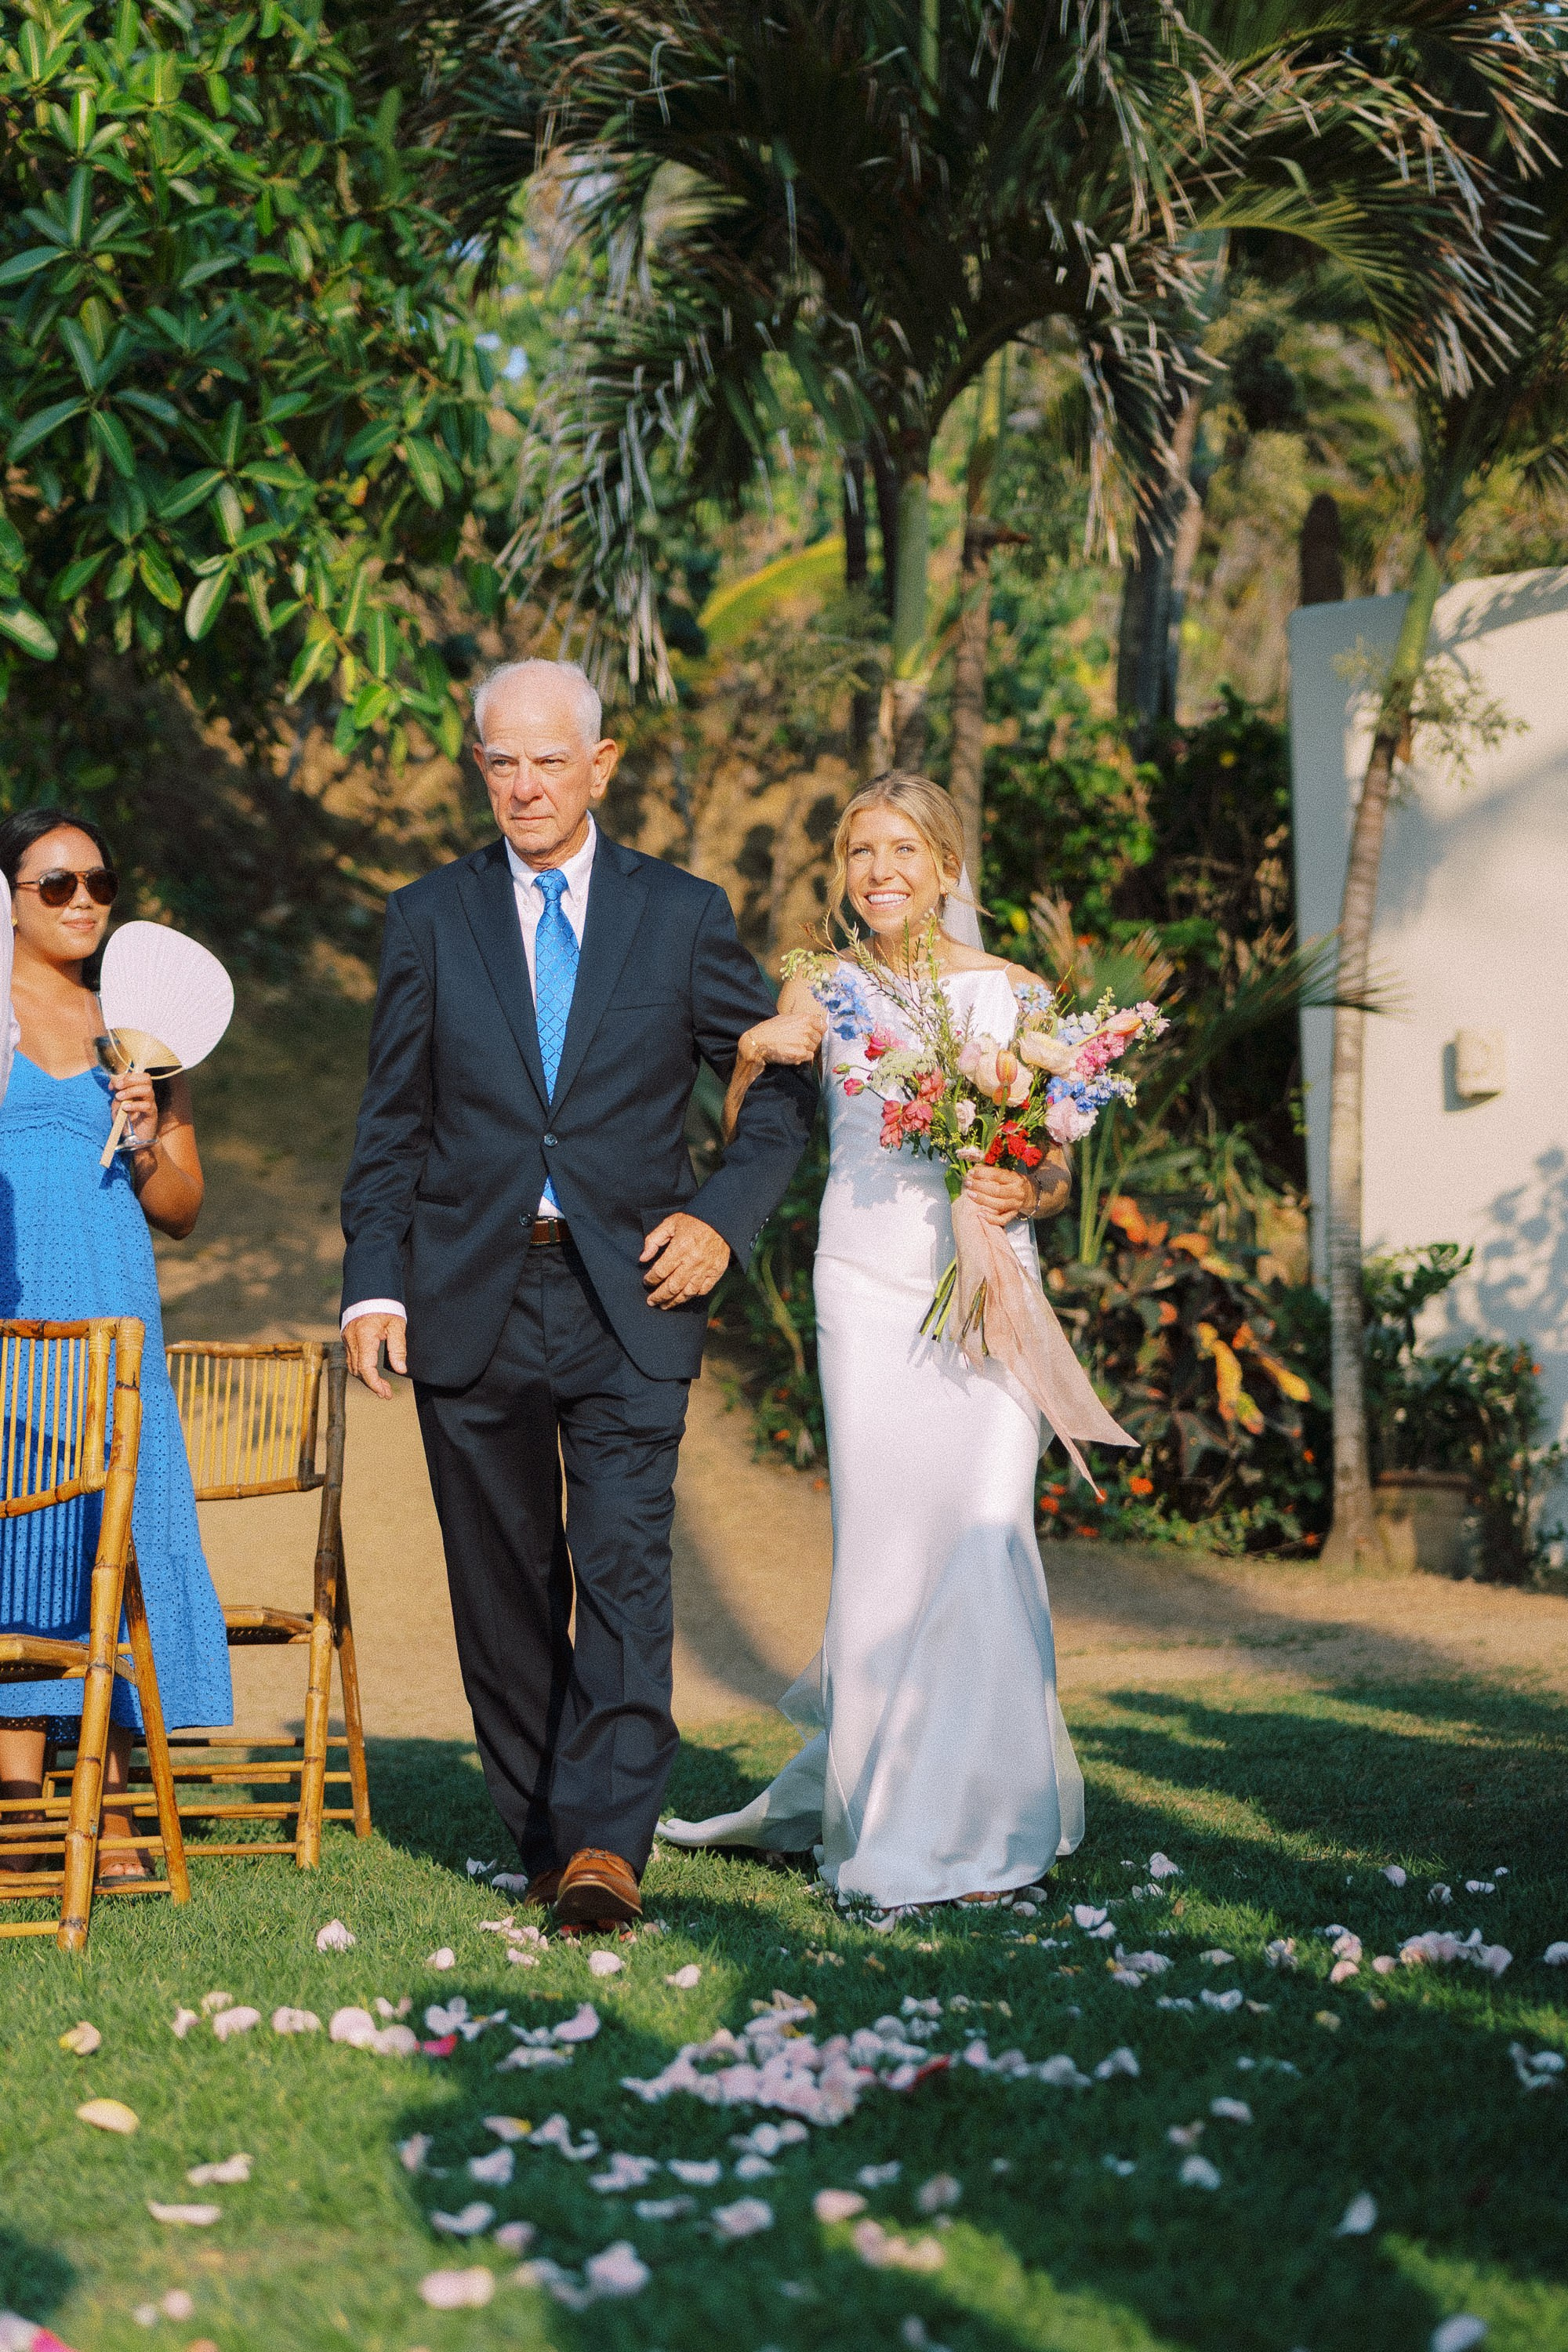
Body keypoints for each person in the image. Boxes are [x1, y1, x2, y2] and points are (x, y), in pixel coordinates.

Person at [339, 658, 815, 1930]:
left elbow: (777, 1089)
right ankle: (546, 1836)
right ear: (479, 767)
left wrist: (720, 1221)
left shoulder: (682, 915)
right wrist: (372, 1288)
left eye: (550, 761)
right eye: (502, 761)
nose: (525, 785)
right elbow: (392, 1124)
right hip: (468, 1298)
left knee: (621, 1568)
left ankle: (607, 1845)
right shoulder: (428, 917)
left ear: (600, 766)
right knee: (501, 1590)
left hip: (632, 1297)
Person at [660, 773, 1086, 1909]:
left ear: (947, 866)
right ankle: (887, 1812)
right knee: (888, 1549)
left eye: (903, 850)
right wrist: (757, 1053)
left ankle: (987, 1818)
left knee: (986, 1532)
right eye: (860, 852)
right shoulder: (822, 984)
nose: (880, 872)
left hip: (987, 1288)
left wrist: (1024, 1189)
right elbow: (759, 1127)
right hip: (863, 1284)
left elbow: (1055, 1168)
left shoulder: (1019, 995)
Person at [0, 808, 231, 1881]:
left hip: (119, 1313)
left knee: (125, 1532)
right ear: (9, 899)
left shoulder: (142, 1028)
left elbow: (183, 1208)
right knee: (24, 1540)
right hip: (17, 1320)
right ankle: (19, 1806)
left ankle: (120, 1805)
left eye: (98, 881)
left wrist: (143, 1138)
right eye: (55, 884)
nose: (83, 900)